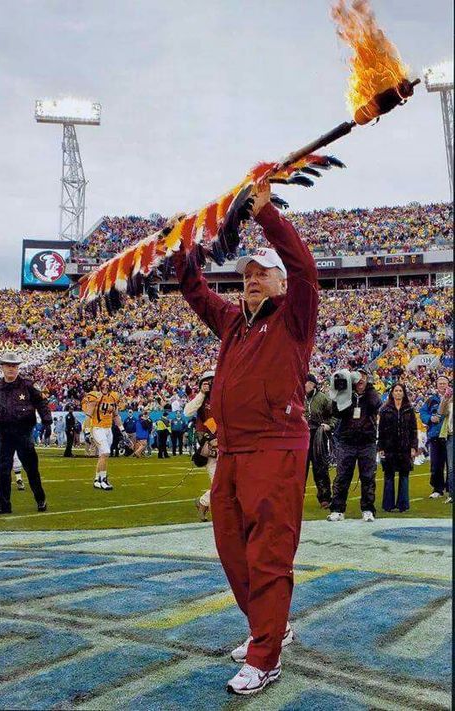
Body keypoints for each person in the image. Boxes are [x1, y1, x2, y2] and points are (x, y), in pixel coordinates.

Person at [174, 183, 316, 695]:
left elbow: (305, 270)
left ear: (280, 284)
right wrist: (184, 248)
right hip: (232, 451)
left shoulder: (296, 319)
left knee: (269, 554)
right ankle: (271, 627)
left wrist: (268, 217)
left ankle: (265, 655)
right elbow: (194, 292)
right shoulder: (233, 321)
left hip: (276, 447)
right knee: (232, 551)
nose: (252, 281)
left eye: (262, 274)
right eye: (247, 275)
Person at [0, 352, 50, 515]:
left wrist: (47, 421)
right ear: (2, 367)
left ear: (18, 368)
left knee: (31, 469)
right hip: (4, 434)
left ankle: (40, 499)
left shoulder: (28, 385)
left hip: (23, 434)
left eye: (14, 366)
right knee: (3, 471)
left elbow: (42, 402)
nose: (11, 369)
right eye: (8, 366)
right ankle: (3, 505)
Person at [328, 368, 381, 522]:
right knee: (342, 476)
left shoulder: (371, 395)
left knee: (368, 477)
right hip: (347, 441)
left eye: (364, 377)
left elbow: (376, 404)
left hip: (367, 442)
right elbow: (336, 413)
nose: (361, 380)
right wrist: (340, 393)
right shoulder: (347, 394)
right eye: (358, 377)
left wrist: (369, 387)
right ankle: (337, 509)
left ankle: (368, 509)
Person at [81, 378, 130, 490]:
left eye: (107, 385)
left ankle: (97, 480)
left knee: (103, 455)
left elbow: (116, 415)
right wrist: (87, 431)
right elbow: (88, 415)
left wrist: (122, 430)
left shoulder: (113, 397)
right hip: (97, 428)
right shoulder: (95, 397)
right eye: (103, 385)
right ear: (100, 385)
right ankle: (103, 480)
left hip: (108, 429)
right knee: (106, 452)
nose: (105, 386)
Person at [377, 383, 417, 512]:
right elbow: (381, 430)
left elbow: (413, 430)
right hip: (389, 447)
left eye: (400, 390)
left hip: (405, 447)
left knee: (404, 476)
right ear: (392, 393)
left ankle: (403, 505)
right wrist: (380, 447)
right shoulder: (385, 409)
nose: (398, 393)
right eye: (396, 390)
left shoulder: (409, 409)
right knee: (389, 476)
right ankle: (388, 505)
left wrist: (413, 447)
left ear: (404, 393)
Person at [184, 370, 217, 522]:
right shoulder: (201, 399)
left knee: (231, 484)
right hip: (209, 447)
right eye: (207, 382)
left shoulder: (224, 397)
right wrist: (202, 394)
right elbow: (187, 411)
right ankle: (203, 504)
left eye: (212, 381)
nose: (210, 384)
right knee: (219, 484)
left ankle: (202, 502)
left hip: (226, 444)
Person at [304, 374, 335, 508]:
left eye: (306, 382)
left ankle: (325, 497)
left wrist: (329, 425)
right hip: (302, 435)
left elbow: (334, 415)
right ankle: (297, 496)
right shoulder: (298, 397)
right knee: (300, 469)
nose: (304, 384)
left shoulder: (323, 398)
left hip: (318, 435)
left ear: (313, 384)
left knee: (320, 468)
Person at [420, 375, 449, 498]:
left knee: (451, 465)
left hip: (450, 436)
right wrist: (430, 418)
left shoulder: (452, 399)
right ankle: (437, 489)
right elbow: (422, 413)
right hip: (435, 436)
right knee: (436, 464)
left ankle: (450, 489)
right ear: (436, 385)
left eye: (444, 383)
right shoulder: (431, 399)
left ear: (448, 385)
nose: (442, 386)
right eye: (440, 383)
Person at [438, 386, 453, 504]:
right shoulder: (450, 399)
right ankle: (452, 495)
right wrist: (445, 398)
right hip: (451, 435)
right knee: (451, 467)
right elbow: (441, 412)